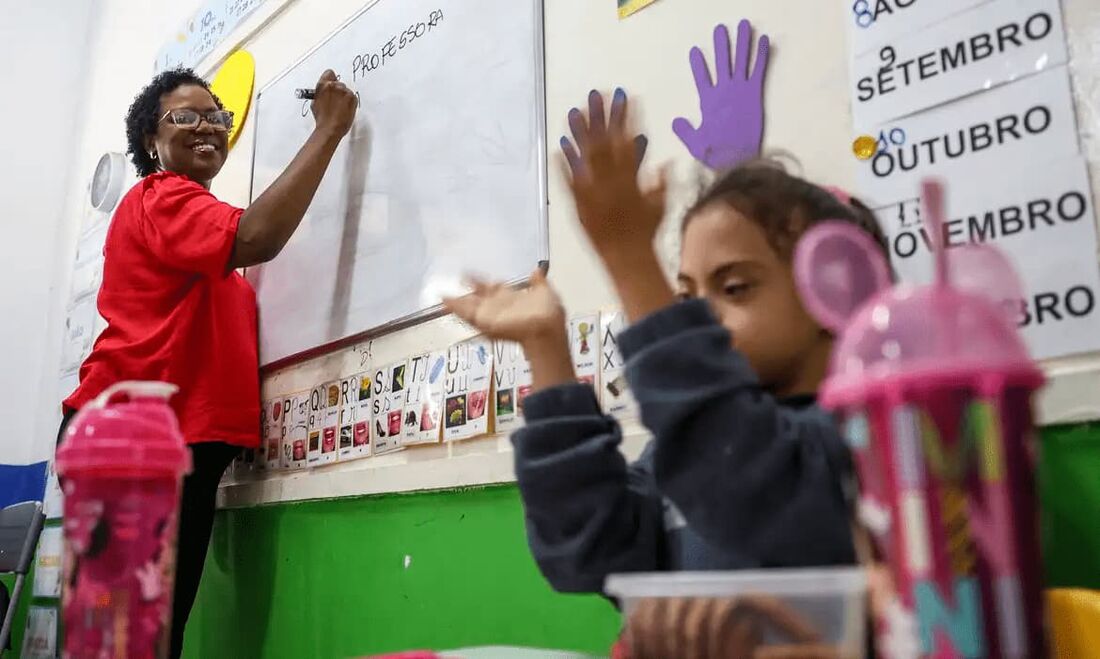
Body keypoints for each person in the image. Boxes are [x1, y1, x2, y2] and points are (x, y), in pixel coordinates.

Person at [444, 92, 888, 594]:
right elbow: (587, 553)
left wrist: (629, 257)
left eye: (735, 287)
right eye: (685, 294)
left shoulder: (868, 440)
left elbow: (741, 469)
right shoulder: (677, 451)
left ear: (841, 291)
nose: (696, 314)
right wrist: (545, 347)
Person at [60, 67, 358, 658]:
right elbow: (258, 236)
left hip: (170, 449)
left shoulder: (198, 235)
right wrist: (328, 131)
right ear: (151, 140)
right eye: (184, 117)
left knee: (147, 639)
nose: (207, 127)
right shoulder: (160, 196)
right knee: (132, 643)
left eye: (216, 117)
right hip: (131, 440)